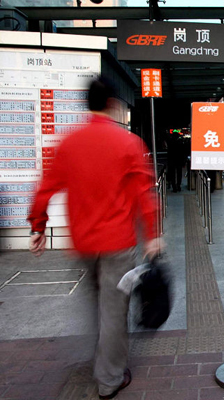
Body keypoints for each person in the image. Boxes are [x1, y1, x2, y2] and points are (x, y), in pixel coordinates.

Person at [28, 78, 161, 399]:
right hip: (118, 242)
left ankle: (102, 361)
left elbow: (46, 187)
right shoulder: (128, 143)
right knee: (114, 311)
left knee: (95, 307)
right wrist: (153, 236)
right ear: (113, 104)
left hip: (83, 242)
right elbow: (144, 193)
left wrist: (38, 226)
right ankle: (110, 379)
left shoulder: (69, 143)